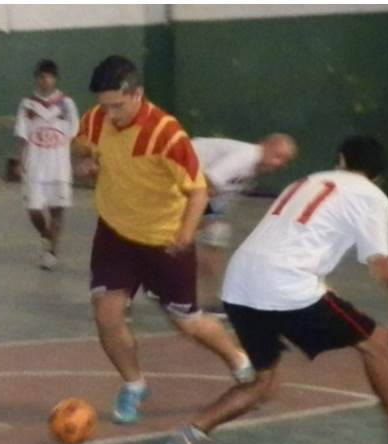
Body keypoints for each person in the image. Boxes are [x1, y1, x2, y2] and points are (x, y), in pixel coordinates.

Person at [166, 136, 388, 444]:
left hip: (239, 282)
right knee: (377, 342)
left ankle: (189, 435)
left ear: (341, 160)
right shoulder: (372, 197)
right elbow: (384, 266)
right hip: (285, 283)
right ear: (379, 175)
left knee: (263, 381)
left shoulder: (307, 181)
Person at [73, 55, 254, 424]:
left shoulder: (166, 134)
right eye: (104, 106)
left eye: (118, 106)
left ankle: (240, 362)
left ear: (137, 94)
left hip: (163, 240)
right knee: (106, 314)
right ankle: (134, 384)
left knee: (186, 322)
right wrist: (84, 162)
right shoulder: (97, 118)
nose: (110, 115)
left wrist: (185, 234)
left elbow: (199, 191)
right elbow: (79, 145)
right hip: (115, 234)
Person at [192, 134, 298, 314]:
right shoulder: (246, 156)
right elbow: (206, 181)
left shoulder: (254, 169)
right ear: (264, 146)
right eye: (278, 156)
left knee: (216, 236)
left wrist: (206, 218)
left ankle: (209, 300)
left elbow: (219, 200)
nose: (280, 164)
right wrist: (193, 219)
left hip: (190, 185)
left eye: (285, 161)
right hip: (168, 172)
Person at [13, 59, 79, 270]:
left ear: (55, 78)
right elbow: (22, 134)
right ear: (37, 79)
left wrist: (77, 162)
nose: (45, 80)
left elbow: (74, 136)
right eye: (41, 77)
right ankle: (46, 236)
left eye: (49, 76)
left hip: (59, 167)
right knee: (33, 209)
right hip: (35, 166)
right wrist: (20, 160)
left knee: (57, 210)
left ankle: (51, 253)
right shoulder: (27, 104)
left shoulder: (66, 104)